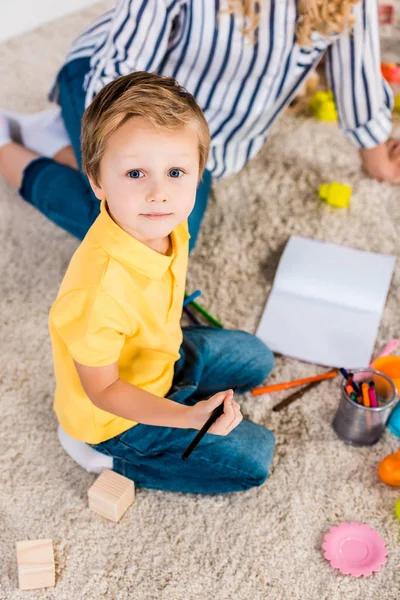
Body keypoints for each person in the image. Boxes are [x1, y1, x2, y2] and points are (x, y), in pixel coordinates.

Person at [0, 0, 398, 252]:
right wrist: (128, 158)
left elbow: (357, 76)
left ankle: (52, 138)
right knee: (147, 236)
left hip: (206, 136)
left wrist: (378, 161)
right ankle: (6, 142)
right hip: (113, 92)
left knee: (163, 228)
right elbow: (120, 68)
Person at [48, 70, 275, 494]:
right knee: (254, 460)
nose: (159, 194)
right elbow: (105, 391)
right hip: (114, 416)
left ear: (198, 172)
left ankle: (180, 390)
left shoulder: (168, 222)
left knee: (259, 358)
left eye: (176, 172)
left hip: (160, 357)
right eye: (135, 174)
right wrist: (190, 417)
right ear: (97, 180)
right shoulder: (96, 293)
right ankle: (107, 454)